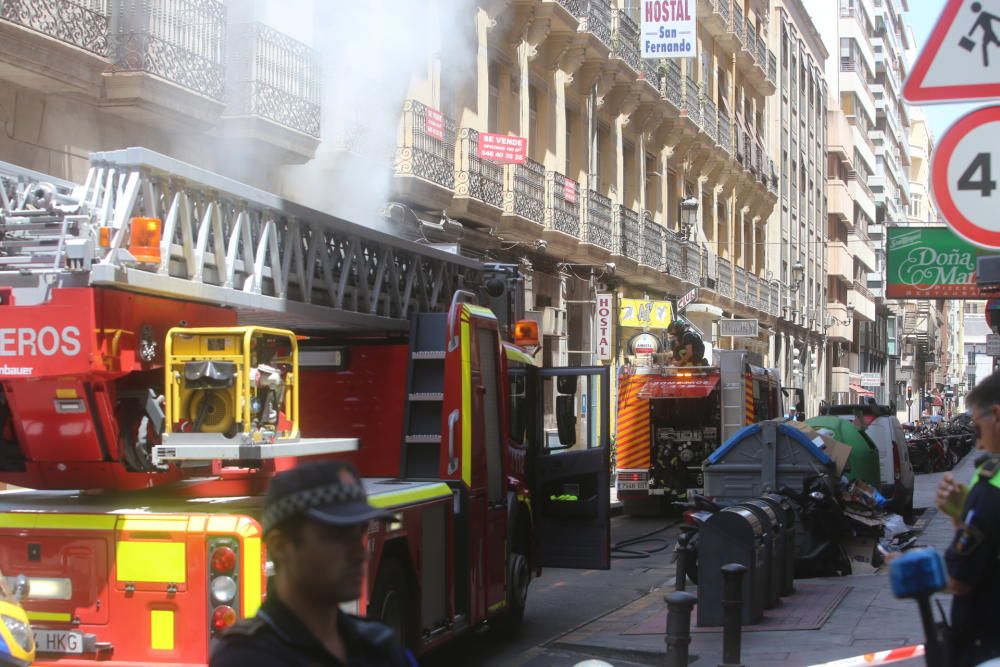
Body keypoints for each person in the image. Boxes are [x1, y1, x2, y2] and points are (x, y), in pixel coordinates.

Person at [210, 460, 415, 667]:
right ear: (280, 546)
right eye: (337, 536)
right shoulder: (247, 659)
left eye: (360, 532)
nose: (360, 553)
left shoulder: (378, 646)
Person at [935, 371, 1000, 667]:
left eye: (977, 430)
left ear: (996, 417)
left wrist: (908, 568)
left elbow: (960, 580)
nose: (979, 445)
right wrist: (962, 516)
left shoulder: (990, 489)